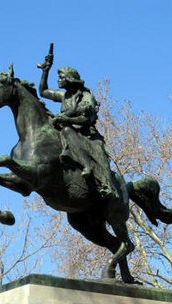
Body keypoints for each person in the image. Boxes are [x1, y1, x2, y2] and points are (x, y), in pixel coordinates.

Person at [38, 51, 118, 200]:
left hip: (88, 135)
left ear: (69, 79)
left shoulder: (86, 96)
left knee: (70, 133)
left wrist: (67, 120)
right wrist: (45, 70)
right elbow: (43, 91)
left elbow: (87, 119)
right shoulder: (64, 96)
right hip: (68, 131)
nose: (58, 80)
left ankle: (103, 183)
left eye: (61, 77)